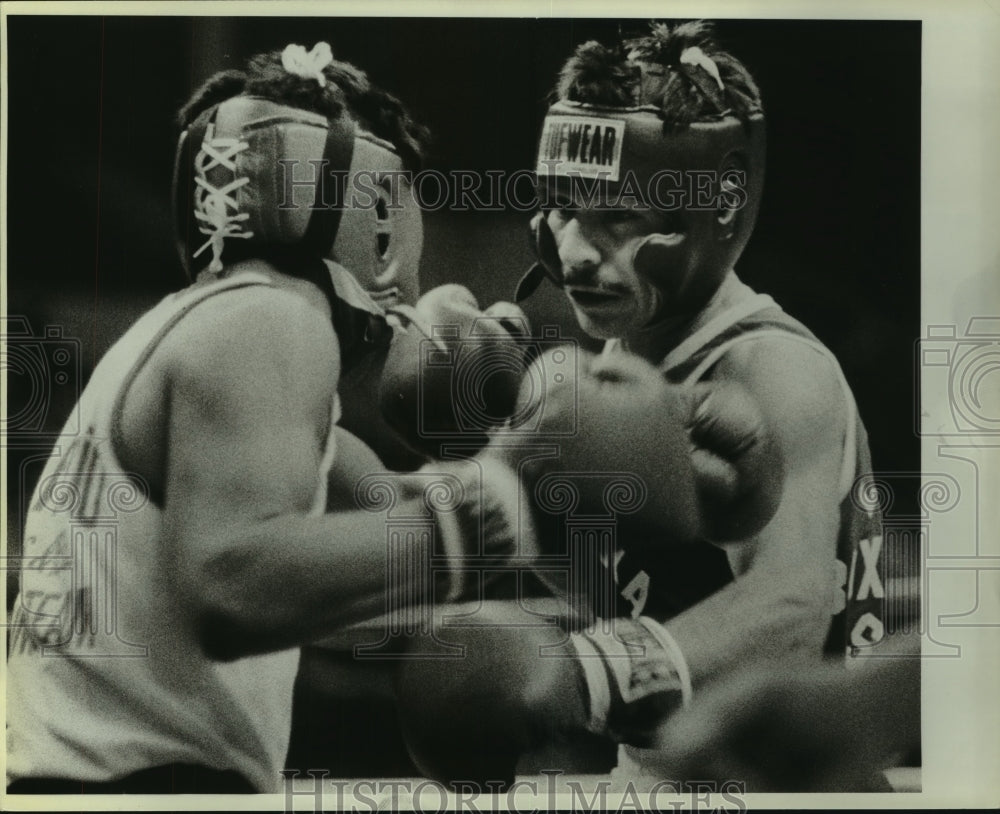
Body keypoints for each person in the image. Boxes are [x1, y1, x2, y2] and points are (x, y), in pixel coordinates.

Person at [5, 42, 534, 794]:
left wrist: (508, 471)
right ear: (380, 213)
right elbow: (233, 588)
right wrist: (474, 519)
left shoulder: (208, 332)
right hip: (140, 786)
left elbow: (354, 581)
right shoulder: (273, 322)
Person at [396, 20, 889, 789]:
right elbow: (622, 590)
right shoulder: (617, 370)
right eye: (562, 208)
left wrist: (585, 674)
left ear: (714, 204)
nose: (578, 251)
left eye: (618, 216)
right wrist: (505, 470)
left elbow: (790, 607)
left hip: (790, 787)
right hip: (660, 775)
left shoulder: (772, 366)